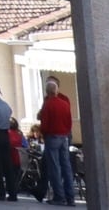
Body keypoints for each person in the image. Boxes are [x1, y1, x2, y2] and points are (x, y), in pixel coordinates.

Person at [38, 77, 75, 205]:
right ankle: (71, 197)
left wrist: (44, 134)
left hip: (52, 136)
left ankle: (59, 196)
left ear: (47, 91)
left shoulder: (48, 104)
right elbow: (69, 122)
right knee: (66, 167)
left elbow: (45, 124)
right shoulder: (65, 103)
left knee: (54, 167)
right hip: (64, 136)